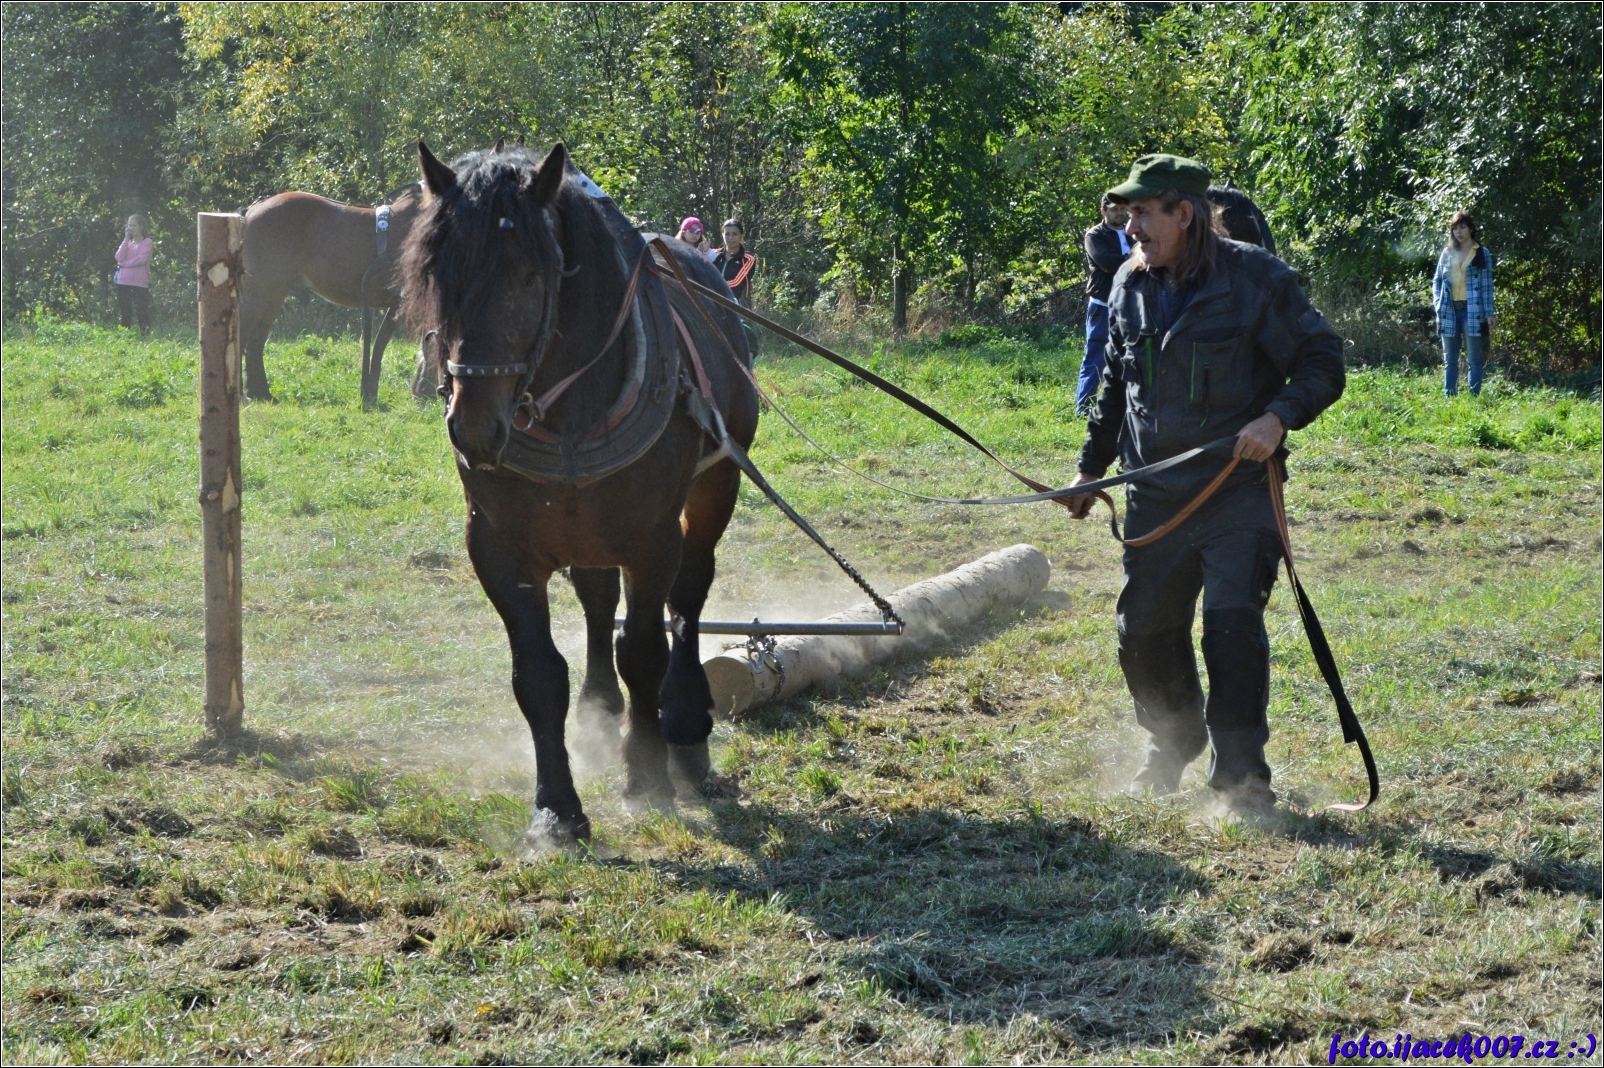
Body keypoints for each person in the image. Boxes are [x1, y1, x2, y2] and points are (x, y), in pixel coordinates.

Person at [1064, 154, 1346, 818]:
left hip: (1235, 492)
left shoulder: (1257, 279)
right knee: (1143, 633)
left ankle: (1241, 781)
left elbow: (1322, 359)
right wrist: (1089, 469)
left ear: (1183, 214)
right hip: (1154, 497)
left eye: (1142, 213)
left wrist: (1278, 418)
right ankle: (1173, 742)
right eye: (1128, 214)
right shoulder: (1128, 283)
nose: (1130, 228)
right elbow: (1115, 387)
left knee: (1231, 627)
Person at [1077, 194, 1133, 413]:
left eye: (1122, 208)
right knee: (1095, 356)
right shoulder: (1094, 235)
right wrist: (1137, 258)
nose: (1120, 213)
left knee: (1130, 356)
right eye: (1114, 209)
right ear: (1103, 211)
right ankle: (1083, 407)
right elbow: (1107, 263)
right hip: (1103, 304)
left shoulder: (1133, 233)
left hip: (1130, 304)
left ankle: (1124, 407)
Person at [1431, 211, 1494, 397]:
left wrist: (1489, 312)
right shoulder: (1447, 253)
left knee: (1474, 359)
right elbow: (1437, 281)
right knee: (1450, 359)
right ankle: (1450, 398)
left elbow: (1487, 286)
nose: (1458, 232)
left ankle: (1474, 399)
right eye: (1455, 228)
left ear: (1471, 229)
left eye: (1463, 227)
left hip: (1472, 311)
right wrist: (1438, 306)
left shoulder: (1482, 253)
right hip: (1449, 310)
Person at [114, 214, 153, 335]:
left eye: (134, 225)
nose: (131, 228)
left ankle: (145, 335)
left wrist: (125, 264)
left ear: (141, 227)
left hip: (140, 282)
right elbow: (118, 257)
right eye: (129, 225)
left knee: (142, 311)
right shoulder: (128, 243)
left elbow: (142, 259)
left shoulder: (147, 242)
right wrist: (126, 239)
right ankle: (124, 336)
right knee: (125, 311)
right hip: (123, 281)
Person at [712, 218, 757, 305]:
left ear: (741, 235)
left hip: (730, 304)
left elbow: (736, 283)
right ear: (722, 235)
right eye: (727, 234)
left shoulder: (748, 260)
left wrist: (711, 286)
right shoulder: (712, 254)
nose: (730, 238)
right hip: (708, 301)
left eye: (735, 234)